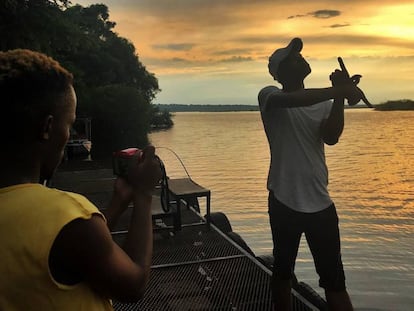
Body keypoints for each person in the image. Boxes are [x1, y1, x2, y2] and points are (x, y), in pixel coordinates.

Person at [0, 49, 162, 310]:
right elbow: (134, 284)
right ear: (48, 128)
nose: (68, 136)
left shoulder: (69, 227)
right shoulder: (66, 216)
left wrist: (119, 202)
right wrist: (143, 194)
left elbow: (73, 250)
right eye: (69, 124)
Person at [258, 38, 360, 311]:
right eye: (293, 57)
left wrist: (339, 95)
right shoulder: (269, 95)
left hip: (321, 203)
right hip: (283, 198)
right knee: (282, 271)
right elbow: (291, 100)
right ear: (280, 72)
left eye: (300, 55)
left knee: (335, 281)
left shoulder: (323, 101)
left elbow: (331, 137)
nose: (301, 58)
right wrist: (339, 89)